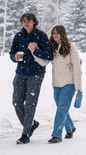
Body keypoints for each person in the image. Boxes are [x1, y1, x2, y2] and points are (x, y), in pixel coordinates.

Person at [9, 12, 53, 144]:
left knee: (30, 104)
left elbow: (49, 55)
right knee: (16, 102)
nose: (25, 23)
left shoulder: (41, 36)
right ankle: (31, 124)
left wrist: (35, 50)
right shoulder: (18, 36)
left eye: (28, 20)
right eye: (23, 21)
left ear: (34, 21)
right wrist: (14, 57)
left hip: (36, 73)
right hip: (20, 72)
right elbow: (12, 53)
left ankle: (25, 134)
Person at [44, 25, 82, 143]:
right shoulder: (52, 48)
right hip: (56, 84)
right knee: (62, 108)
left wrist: (78, 88)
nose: (55, 35)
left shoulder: (71, 47)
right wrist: (34, 51)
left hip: (69, 83)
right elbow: (44, 62)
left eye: (58, 33)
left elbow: (77, 67)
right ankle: (70, 127)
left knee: (61, 109)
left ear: (63, 34)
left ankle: (57, 135)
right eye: (53, 33)